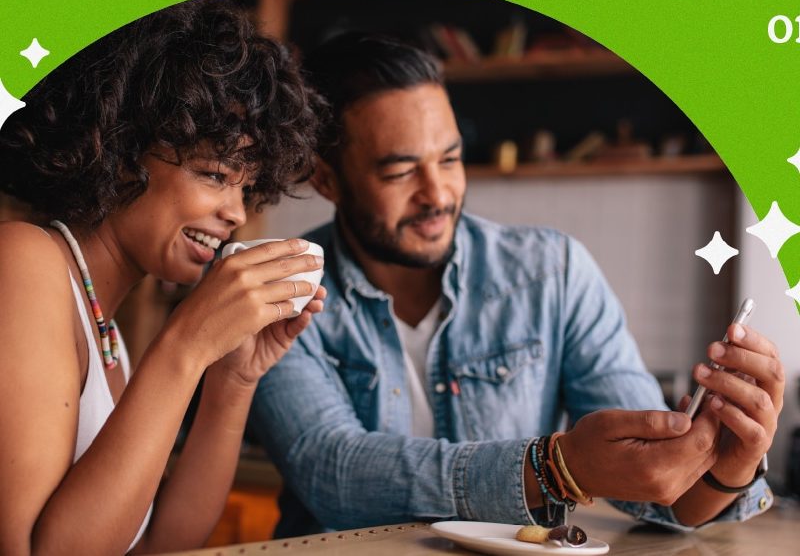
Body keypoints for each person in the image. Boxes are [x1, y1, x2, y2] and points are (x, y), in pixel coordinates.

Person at [248, 33, 784, 537]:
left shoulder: (554, 273)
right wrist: (553, 468)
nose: (437, 194)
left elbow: (658, 488)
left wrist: (725, 465)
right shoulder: (281, 289)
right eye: (400, 171)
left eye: (451, 159)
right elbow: (331, 473)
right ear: (325, 179)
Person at [0, 0, 326, 555]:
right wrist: (185, 345)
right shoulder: (23, 260)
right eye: (214, 174)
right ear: (120, 150)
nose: (237, 214)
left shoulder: (107, 331)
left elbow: (160, 542)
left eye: (246, 187)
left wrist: (232, 378)